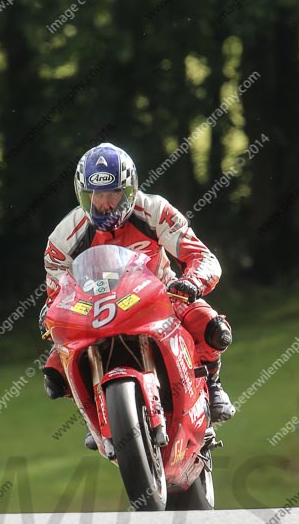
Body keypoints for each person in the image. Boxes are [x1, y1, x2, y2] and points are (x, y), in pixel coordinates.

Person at [40, 142, 235, 449]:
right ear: (82, 194)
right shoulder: (64, 237)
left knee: (212, 328)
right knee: (54, 371)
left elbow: (201, 256)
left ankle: (212, 383)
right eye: (96, 195)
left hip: (159, 296)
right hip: (95, 309)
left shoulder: (155, 210)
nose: (105, 203)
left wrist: (191, 282)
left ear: (129, 189)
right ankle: (95, 414)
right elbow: (56, 289)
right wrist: (51, 312)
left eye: (113, 193)